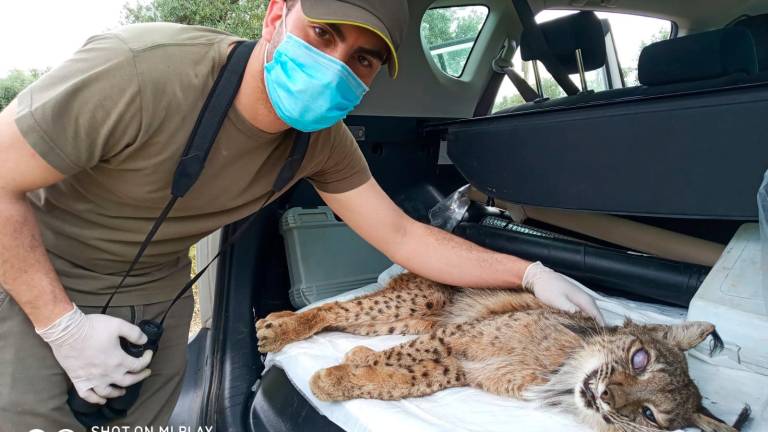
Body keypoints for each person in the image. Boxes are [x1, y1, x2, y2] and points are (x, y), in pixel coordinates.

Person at [0, 0, 604, 429]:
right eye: (323, 33)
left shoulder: (322, 140)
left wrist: (528, 274)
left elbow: (402, 235)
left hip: (158, 291)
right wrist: (64, 328)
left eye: (364, 59)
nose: (339, 64)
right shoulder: (143, 71)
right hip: (34, 272)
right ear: (274, 17)